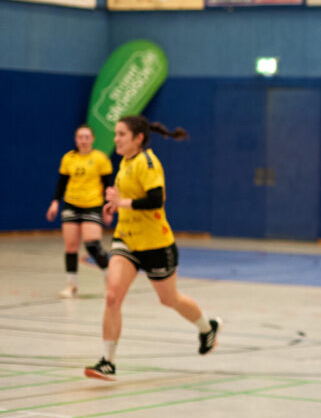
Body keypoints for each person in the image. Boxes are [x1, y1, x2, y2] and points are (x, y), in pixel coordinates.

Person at [84, 115, 220, 380]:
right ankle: (107, 361)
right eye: (116, 134)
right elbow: (128, 197)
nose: (116, 139)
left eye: (122, 134)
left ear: (138, 138)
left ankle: (207, 328)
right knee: (112, 296)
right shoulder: (124, 163)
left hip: (156, 244)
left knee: (169, 299)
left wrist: (122, 202)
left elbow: (155, 199)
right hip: (127, 240)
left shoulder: (148, 163)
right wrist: (114, 203)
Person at [46, 125, 114, 298]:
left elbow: (108, 184)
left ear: (92, 139)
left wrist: (108, 207)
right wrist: (55, 202)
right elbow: (62, 182)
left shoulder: (100, 158)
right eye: (80, 137)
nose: (83, 141)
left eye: (86, 137)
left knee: (92, 244)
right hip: (71, 204)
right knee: (71, 246)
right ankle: (71, 285)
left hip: (92, 204)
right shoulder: (69, 158)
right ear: (76, 139)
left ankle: (110, 279)